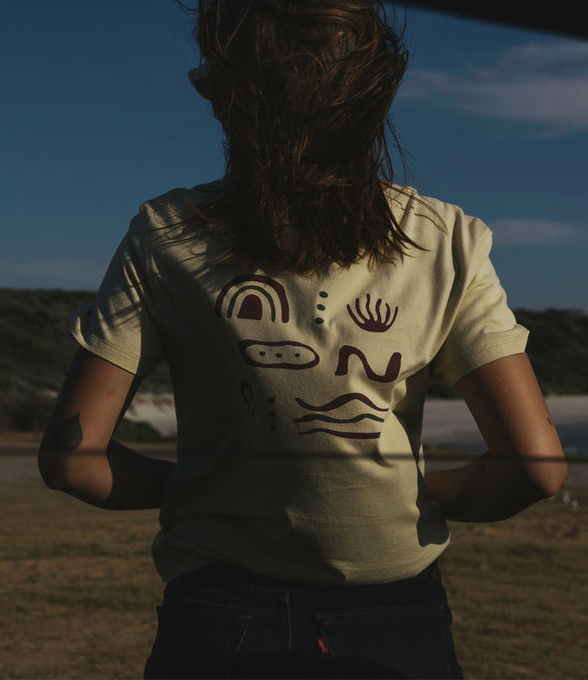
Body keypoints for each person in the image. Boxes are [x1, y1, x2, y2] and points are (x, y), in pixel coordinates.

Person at [38, 1, 568, 677]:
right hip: (394, 619)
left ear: (224, 98)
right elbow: (535, 468)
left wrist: (212, 488)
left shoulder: (166, 234)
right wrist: (406, 495)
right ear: (377, 93)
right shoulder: (447, 241)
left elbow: (74, 460)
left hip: (218, 612)